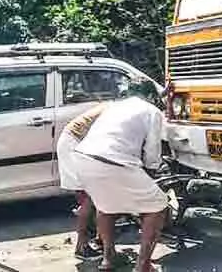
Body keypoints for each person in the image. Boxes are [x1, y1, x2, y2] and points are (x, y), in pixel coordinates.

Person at [73, 78, 167, 272]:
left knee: (106, 206)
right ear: (150, 95)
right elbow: (152, 151)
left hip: (83, 158)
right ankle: (143, 266)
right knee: (158, 205)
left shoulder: (114, 107)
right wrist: (151, 171)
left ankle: (108, 259)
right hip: (113, 161)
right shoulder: (152, 111)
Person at [56, 102, 109, 260]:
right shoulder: (117, 112)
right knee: (89, 198)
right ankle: (81, 247)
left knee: (93, 196)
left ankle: (98, 240)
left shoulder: (111, 107)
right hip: (74, 146)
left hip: (75, 144)